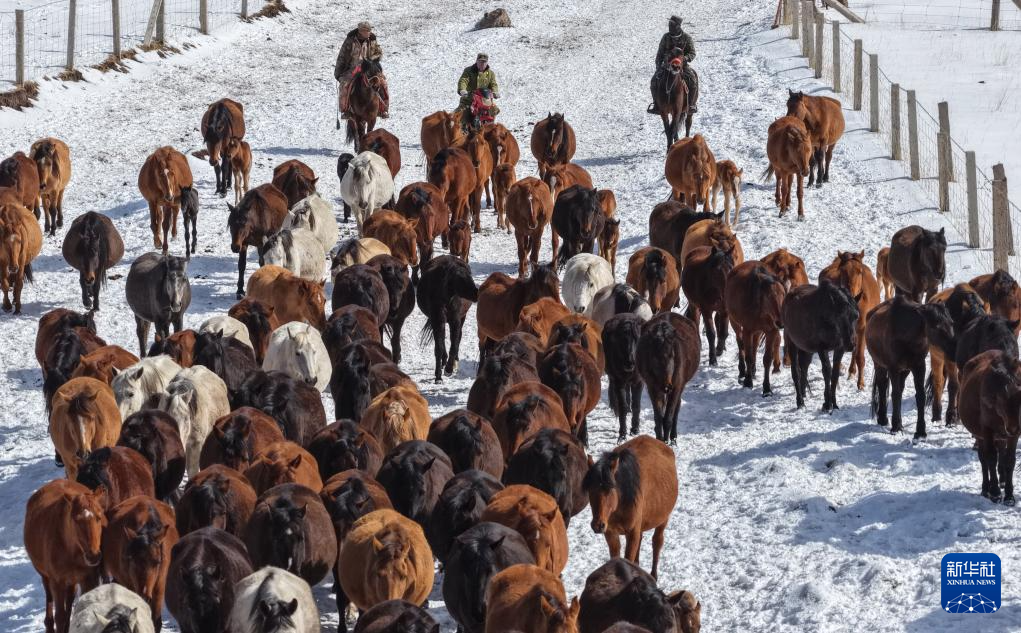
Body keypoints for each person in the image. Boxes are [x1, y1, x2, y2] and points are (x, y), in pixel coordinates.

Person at [334, 21, 388, 118]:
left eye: (369, 30)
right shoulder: (350, 41)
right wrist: (338, 73)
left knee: (383, 83)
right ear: (361, 31)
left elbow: (379, 53)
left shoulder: (372, 40)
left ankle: (384, 109)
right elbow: (342, 56)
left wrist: (372, 59)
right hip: (353, 68)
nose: (369, 33)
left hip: (369, 68)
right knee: (344, 84)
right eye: (367, 31)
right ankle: (345, 110)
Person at [652, 15, 698, 113]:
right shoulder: (665, 37)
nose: (669, 26)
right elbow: (660, 53)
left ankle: (691, 105)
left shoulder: (687, 38)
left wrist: (684, 59)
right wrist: (658, 66)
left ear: (678, 26)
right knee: (653, 81)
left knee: (693, 81)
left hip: (682, 66)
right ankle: (656, 105)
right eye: (669, 24)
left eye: (672, 24)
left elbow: (692, 53)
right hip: (666, 66)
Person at [456, 53, 500, 129]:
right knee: (460, 114)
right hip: (469, 100)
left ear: (487, 63)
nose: (482, 64)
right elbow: (463, 80)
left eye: (484, 62)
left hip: (484, 101)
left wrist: (495, 92)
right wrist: (462, 90)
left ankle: (489, 129)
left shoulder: (490, 73)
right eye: (480, 61)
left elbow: (493, 84)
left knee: (494, 110)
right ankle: (461, 130)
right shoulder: (468, 71)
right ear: (476, 61)